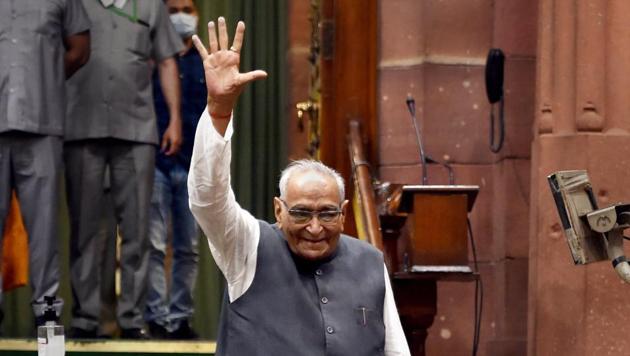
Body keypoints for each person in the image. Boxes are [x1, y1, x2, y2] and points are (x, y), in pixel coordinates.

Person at [188, 18, 412, 355]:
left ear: (344, 213)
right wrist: (219, 110)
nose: (315, 227)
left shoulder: (369, 262)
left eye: (327, 214)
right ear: (278, 209)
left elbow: (396, 350)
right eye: (302, 213)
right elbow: (208, 198)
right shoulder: (247, 248)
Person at [63, 0, 184, 339]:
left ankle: (132, 318)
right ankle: (87, 317)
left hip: (136, 131)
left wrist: (173, 118)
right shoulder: (74, 4)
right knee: (85, 230)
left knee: (137, 231)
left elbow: (166, 60)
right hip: (81, 128)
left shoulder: (150, 5)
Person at [0, 0, 90, 327]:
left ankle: (48, 325)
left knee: (44, 231)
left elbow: (80, 49)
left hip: (42, 124)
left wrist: (46, 77)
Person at [144, 0, 206, 340]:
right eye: (173, 10)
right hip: (155, 162)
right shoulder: (151, 62)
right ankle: (156, 318)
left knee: (188, 247)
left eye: (187, 8)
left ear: (196, 15)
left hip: (194, 166)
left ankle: (180, 319)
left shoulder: (206, 62)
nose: (181, 15)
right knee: (152, 245)